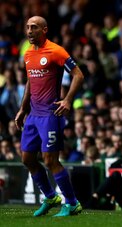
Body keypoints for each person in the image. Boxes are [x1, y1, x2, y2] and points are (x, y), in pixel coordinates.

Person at [14, 16, 84, 217]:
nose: (29, 31)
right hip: (33, 115)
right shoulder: (28, 54)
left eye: (34, 27)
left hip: (50, 114)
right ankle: (51, 197)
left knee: (50, 160)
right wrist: (23, 109)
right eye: (27, 27)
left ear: (44, 30)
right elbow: (30, 81)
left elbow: (78, 75)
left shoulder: (56, 51)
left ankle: (72, 203)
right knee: (27, 158)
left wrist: (68, 100)